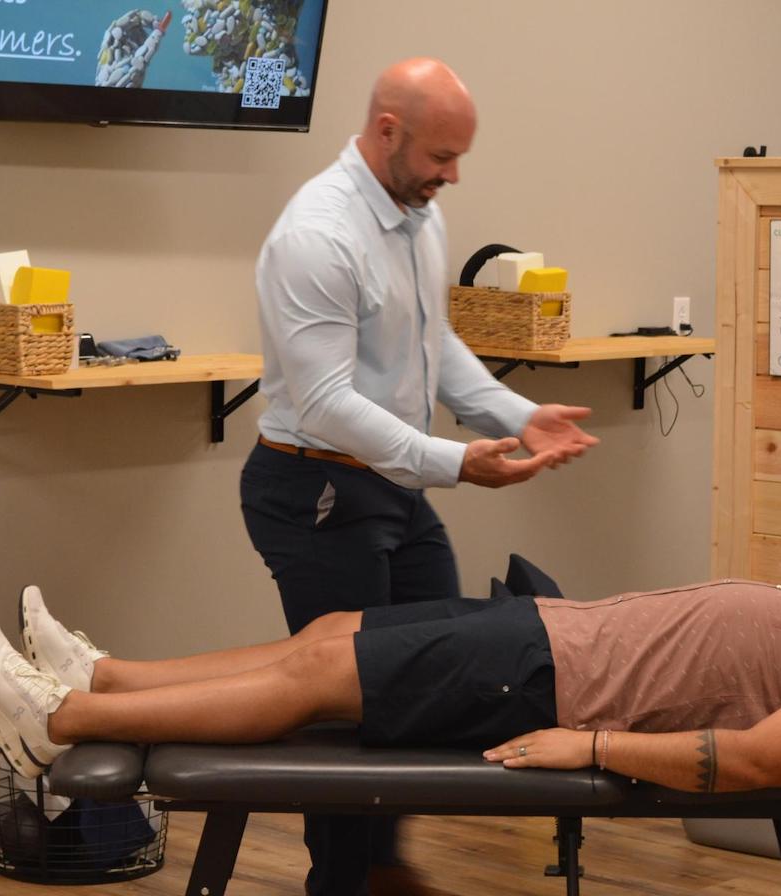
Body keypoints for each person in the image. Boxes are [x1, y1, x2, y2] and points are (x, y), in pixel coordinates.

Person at [242, 57, 597, 893]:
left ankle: (383, 864)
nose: (453, 175)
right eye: (442, 156)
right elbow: (326, 401)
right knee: (342, 697)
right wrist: (451, 463)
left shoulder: (416, 212)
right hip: (314, 487)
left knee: (426, 682)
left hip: (391, 487)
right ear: (387, 131)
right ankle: (340, 881)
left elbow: (432, 346)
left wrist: (516, 418)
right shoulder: (317, 235)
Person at [0, 581, 781, 798]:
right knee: (329, 633)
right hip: (550, 635)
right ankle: (104, 672)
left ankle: (60, 723)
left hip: (548, 676)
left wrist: (590, 747)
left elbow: (762, 762)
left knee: (309, 678)